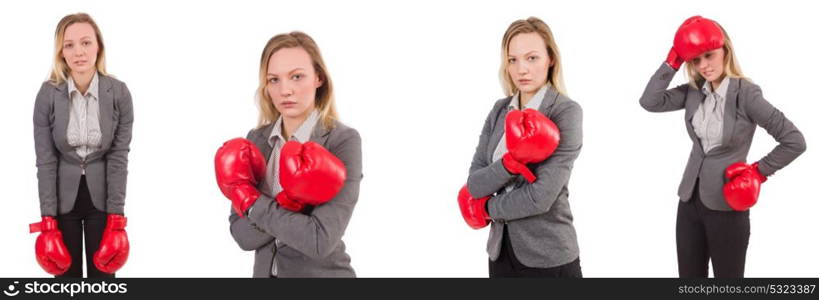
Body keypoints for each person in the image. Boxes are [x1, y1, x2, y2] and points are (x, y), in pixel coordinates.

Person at [639, 16, 806, 278]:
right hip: (689, 201)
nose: (704, 66)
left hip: (727, 206)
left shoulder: (746, 94)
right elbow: (650, 101)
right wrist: (673, 60)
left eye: (709, 55)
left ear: (725, 50)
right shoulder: (694, 91)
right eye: (696, 59)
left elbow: (794, 140)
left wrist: (758, 172)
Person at [215, 31, 362, 277]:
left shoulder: (341, 141)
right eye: (274, 80)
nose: (285, 90)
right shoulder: (256, 140)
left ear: (319, 78)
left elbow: (319, 240)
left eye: (296, 77)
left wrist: (252, 203)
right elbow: (242, 236)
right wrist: (288, 208)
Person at [458, 17, 583, 278]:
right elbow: (475, 184)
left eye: (532, 58)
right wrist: (508, 163)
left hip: (549, 257)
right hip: (501, 254)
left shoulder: (565, 112)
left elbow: (540, 197)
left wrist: (487, 209)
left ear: (551, 59)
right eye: (512, 59)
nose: (521, 69)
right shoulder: (499, 110)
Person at [30, 12, 132, 278]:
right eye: (69, 45)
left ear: (98, 46)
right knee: (67, 282)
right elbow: (45, 161)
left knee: (103, 282)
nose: (79, 52)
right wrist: (48, 221)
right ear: (61, 52)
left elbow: (119, 157)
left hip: (103, 200)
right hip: (63, 201)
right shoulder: (47, 95)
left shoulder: (119, 93)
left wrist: (117, 218)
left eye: (86, 43)